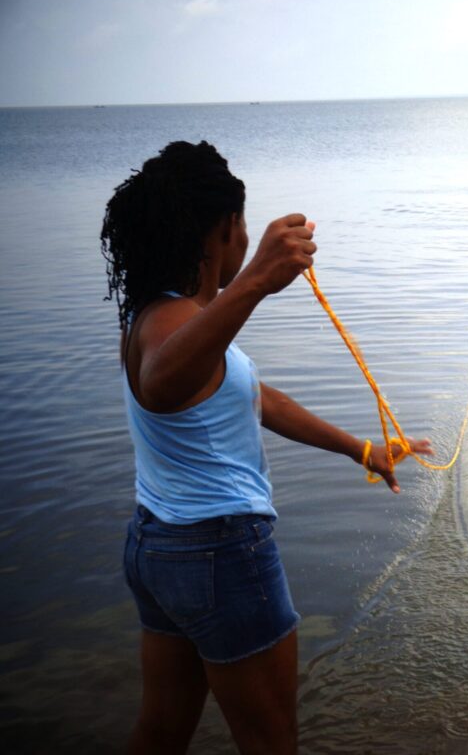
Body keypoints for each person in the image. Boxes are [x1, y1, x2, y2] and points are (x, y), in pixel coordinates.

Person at [101, 140, 432, 754]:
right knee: (271, 741)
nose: (248, 238)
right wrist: (255, 280)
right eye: (243, 225)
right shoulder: (173, 326)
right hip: (220, 552)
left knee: (163, 730)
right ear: (225, 230)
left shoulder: (166, 314)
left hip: (159, 548)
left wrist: (362, 450)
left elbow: (257, 398)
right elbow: (161, 383)